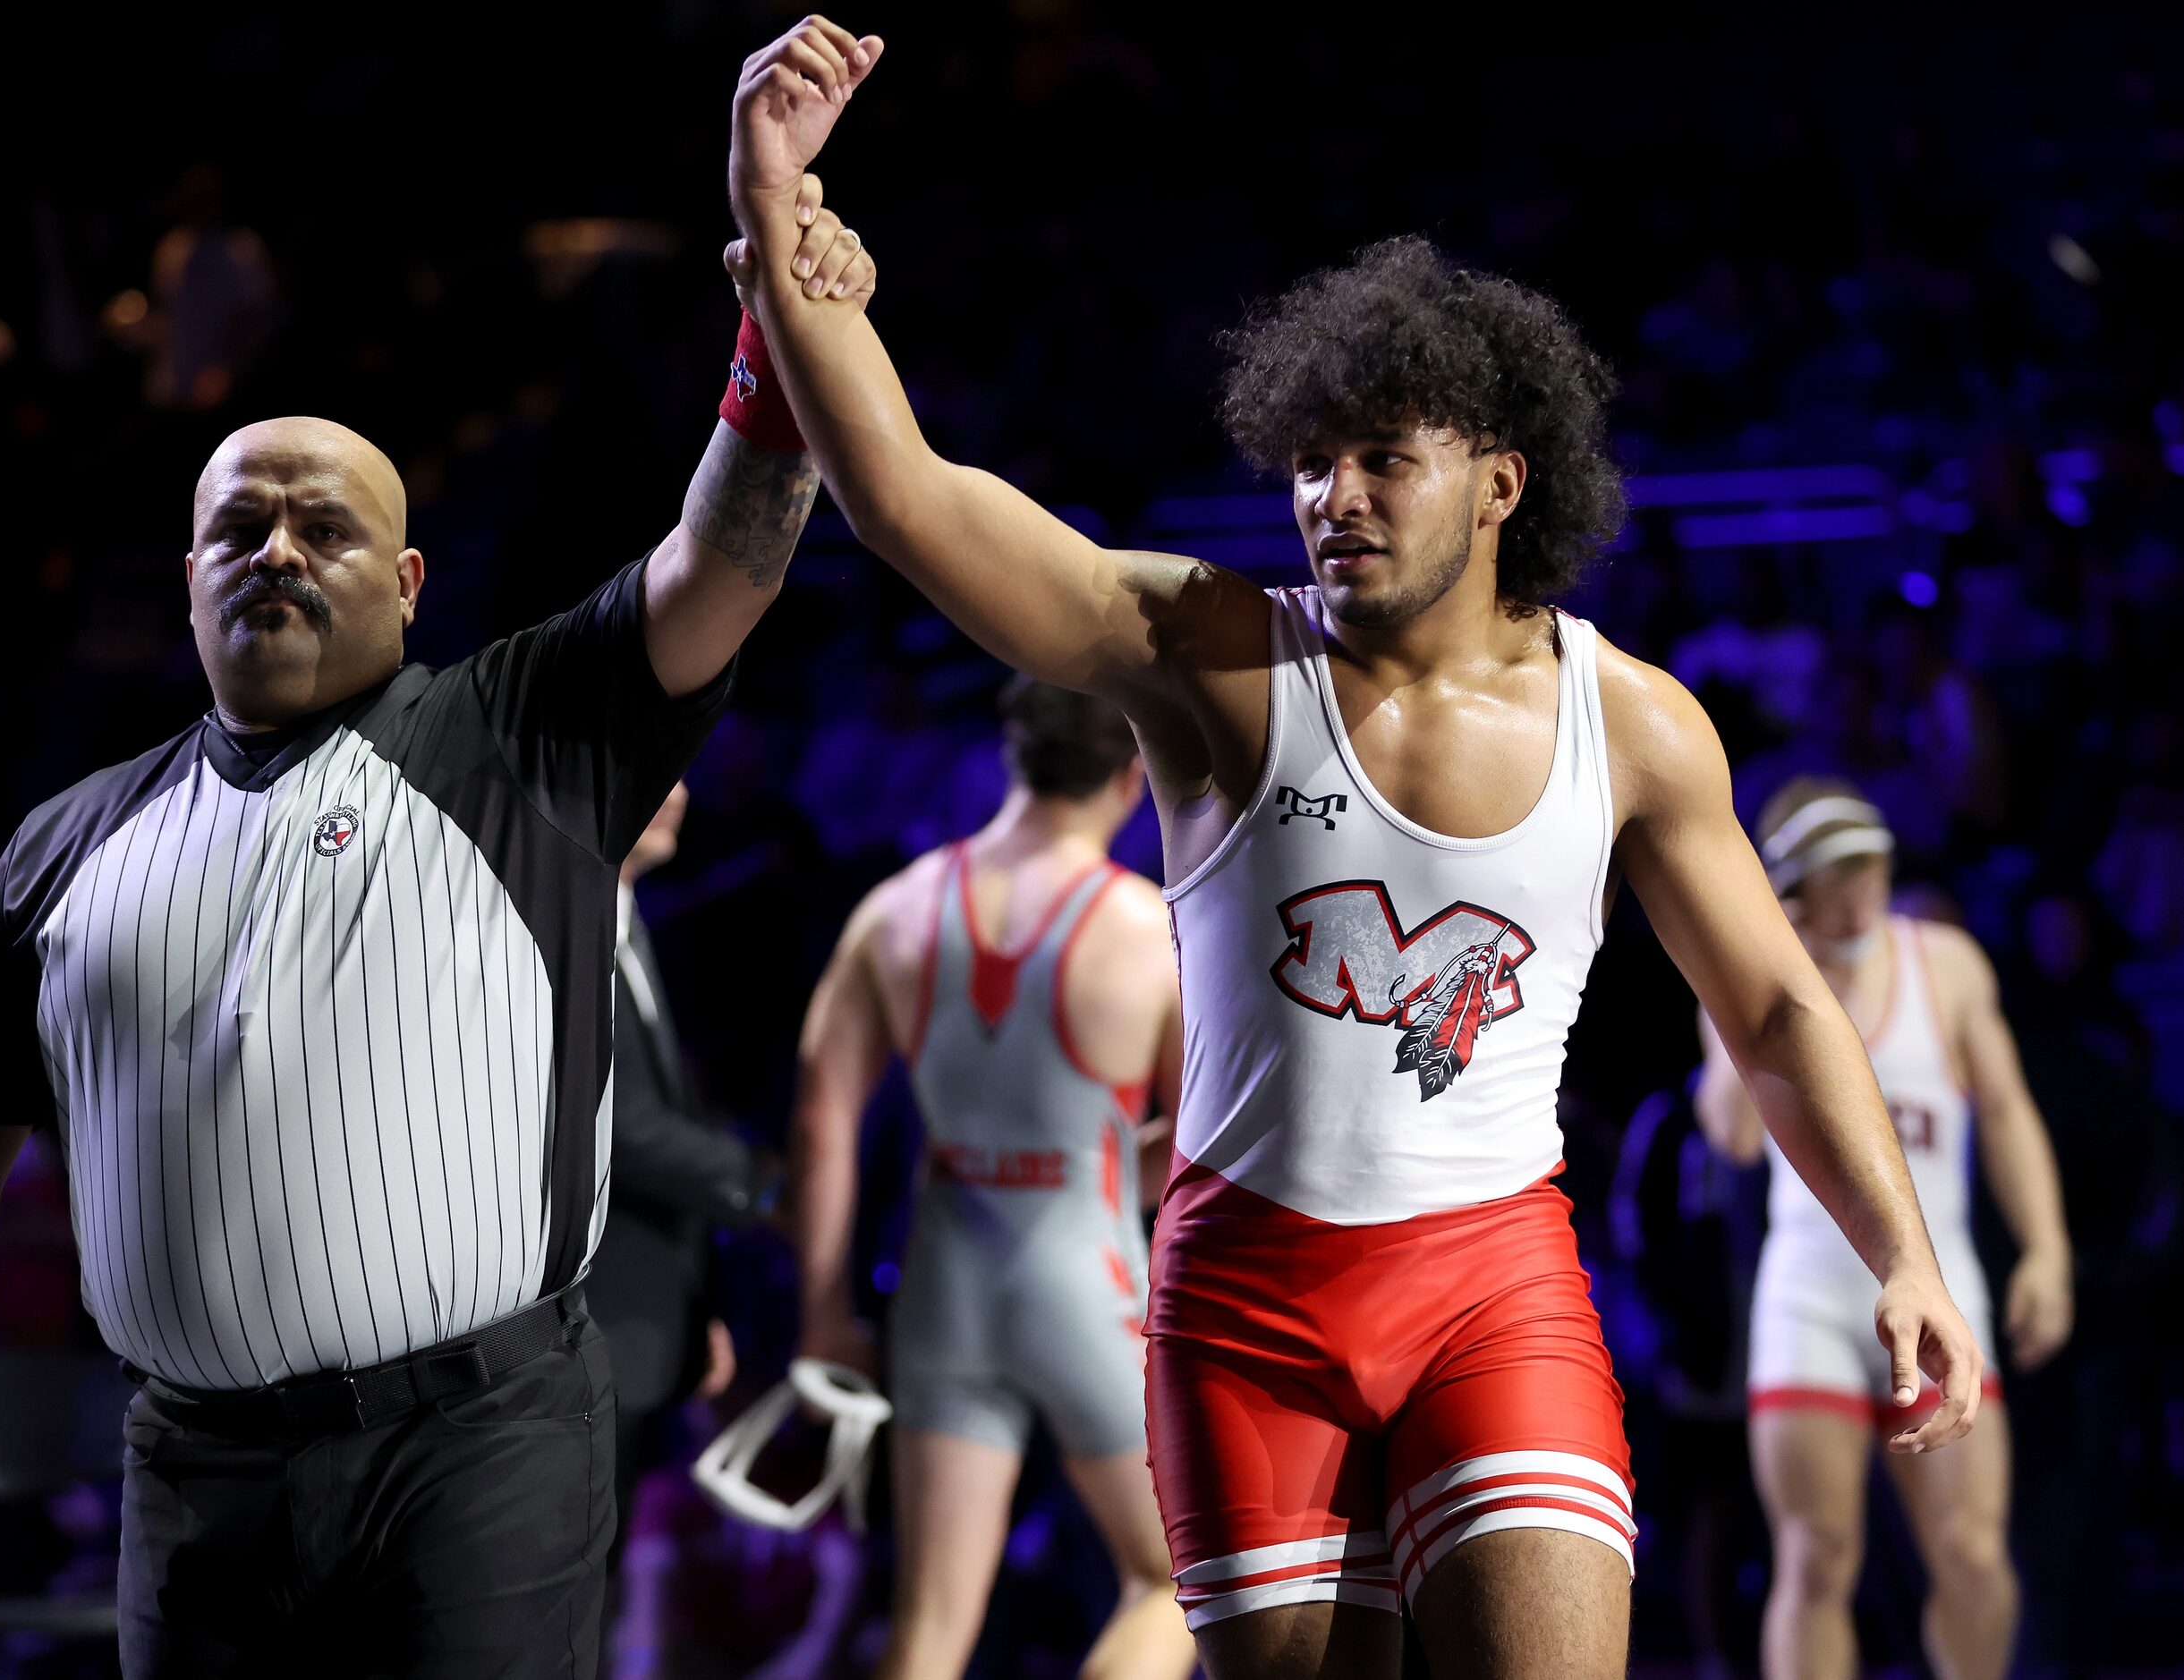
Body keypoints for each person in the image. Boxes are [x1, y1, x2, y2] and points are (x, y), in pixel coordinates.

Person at [721, 22, 1983, 1677]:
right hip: (1245, 1300)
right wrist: (776, 221)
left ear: (1496, 482)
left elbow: (1773, 1011)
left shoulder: (1639, 722)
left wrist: (1905, 1250)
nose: (1335, 494)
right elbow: (907, 502)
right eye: (1313, 460)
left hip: (1491, 1278)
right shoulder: (1210, 658)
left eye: (1386, 456)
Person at [0, 185, 880, 1677]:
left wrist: (781, 339)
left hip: (482, 1444)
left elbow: (728, 561)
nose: (277, 551)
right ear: (185, 579)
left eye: (327, 525)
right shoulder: (60, 851)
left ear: (408, 580)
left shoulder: (521, 737)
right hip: (193, 1469)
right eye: (235, 528)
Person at [791, 676, 1187, 1680]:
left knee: (927, 1632)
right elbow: (1200, 1142)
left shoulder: (899, 908)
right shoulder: (1149, 928)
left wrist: (824, 1314)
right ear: (1130, 780)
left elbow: (821, 1117)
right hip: (1086, 1281)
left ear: (1010, 758)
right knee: (1173, 1585)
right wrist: (1090, 1179)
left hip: (943, 1288)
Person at [1696, 779, 2072, 1680]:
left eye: (1871, 867)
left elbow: (2011, 1112)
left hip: (1939, 1289)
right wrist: (1763, 979)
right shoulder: (1764, 972)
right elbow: (1734, 1136)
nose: (1863, 891)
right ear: (1793, 890)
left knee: (1972, 1551)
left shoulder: (1944, 963)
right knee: (1818, 1555)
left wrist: (2048, 1251)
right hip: (1813, 1303)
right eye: (1837, 875)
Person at [591, 782, 775, 1599]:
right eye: (650, 763)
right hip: (577, 1337)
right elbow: (616, 1126)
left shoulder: (627, 918)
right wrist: (767, 1189)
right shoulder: (561, 925)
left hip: (634, 1326)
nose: (677, 790)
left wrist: (695, 1304)